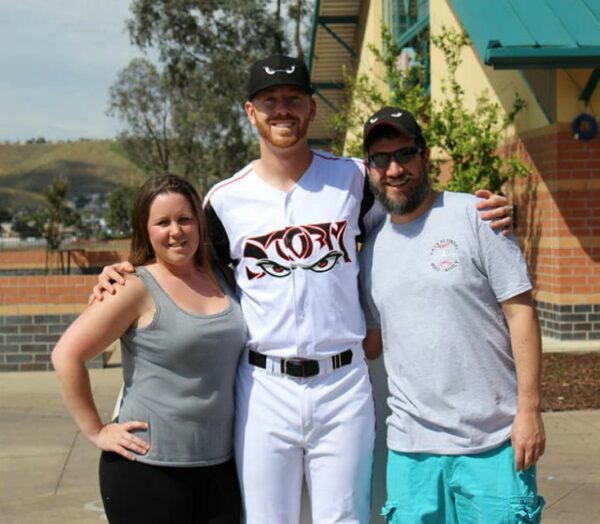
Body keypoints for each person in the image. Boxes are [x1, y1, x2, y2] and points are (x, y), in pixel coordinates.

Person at [91, 56, 513, 524]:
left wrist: (478, 210)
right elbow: (183, 264)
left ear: (312, 108)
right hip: (263, 384)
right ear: (251, 113)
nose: (282, 110)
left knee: (345, 518)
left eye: (293, 99)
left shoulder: (356, 179)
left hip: (343, 381)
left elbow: (412, 205)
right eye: (269, 101)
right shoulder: (224, 200)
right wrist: (128, 271)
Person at [359, 106, 546, 523]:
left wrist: (529, 410)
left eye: (404, 154)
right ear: (369, 169)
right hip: (411, 452)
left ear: (425, 157)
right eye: (381, 159)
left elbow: (520, 314)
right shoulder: (370, 250)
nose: (394, 169)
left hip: (493, 444)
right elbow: (371, 342)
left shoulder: (476, 217)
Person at [52, 175, 247, 524]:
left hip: (220, 467)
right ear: (146, 230)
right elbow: (67, 355)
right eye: (163, 222)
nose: (176, 231)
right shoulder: (133, 286)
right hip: (147, 468)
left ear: (200, 224)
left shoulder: (224, 276)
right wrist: (96, 430)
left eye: (185, 219)